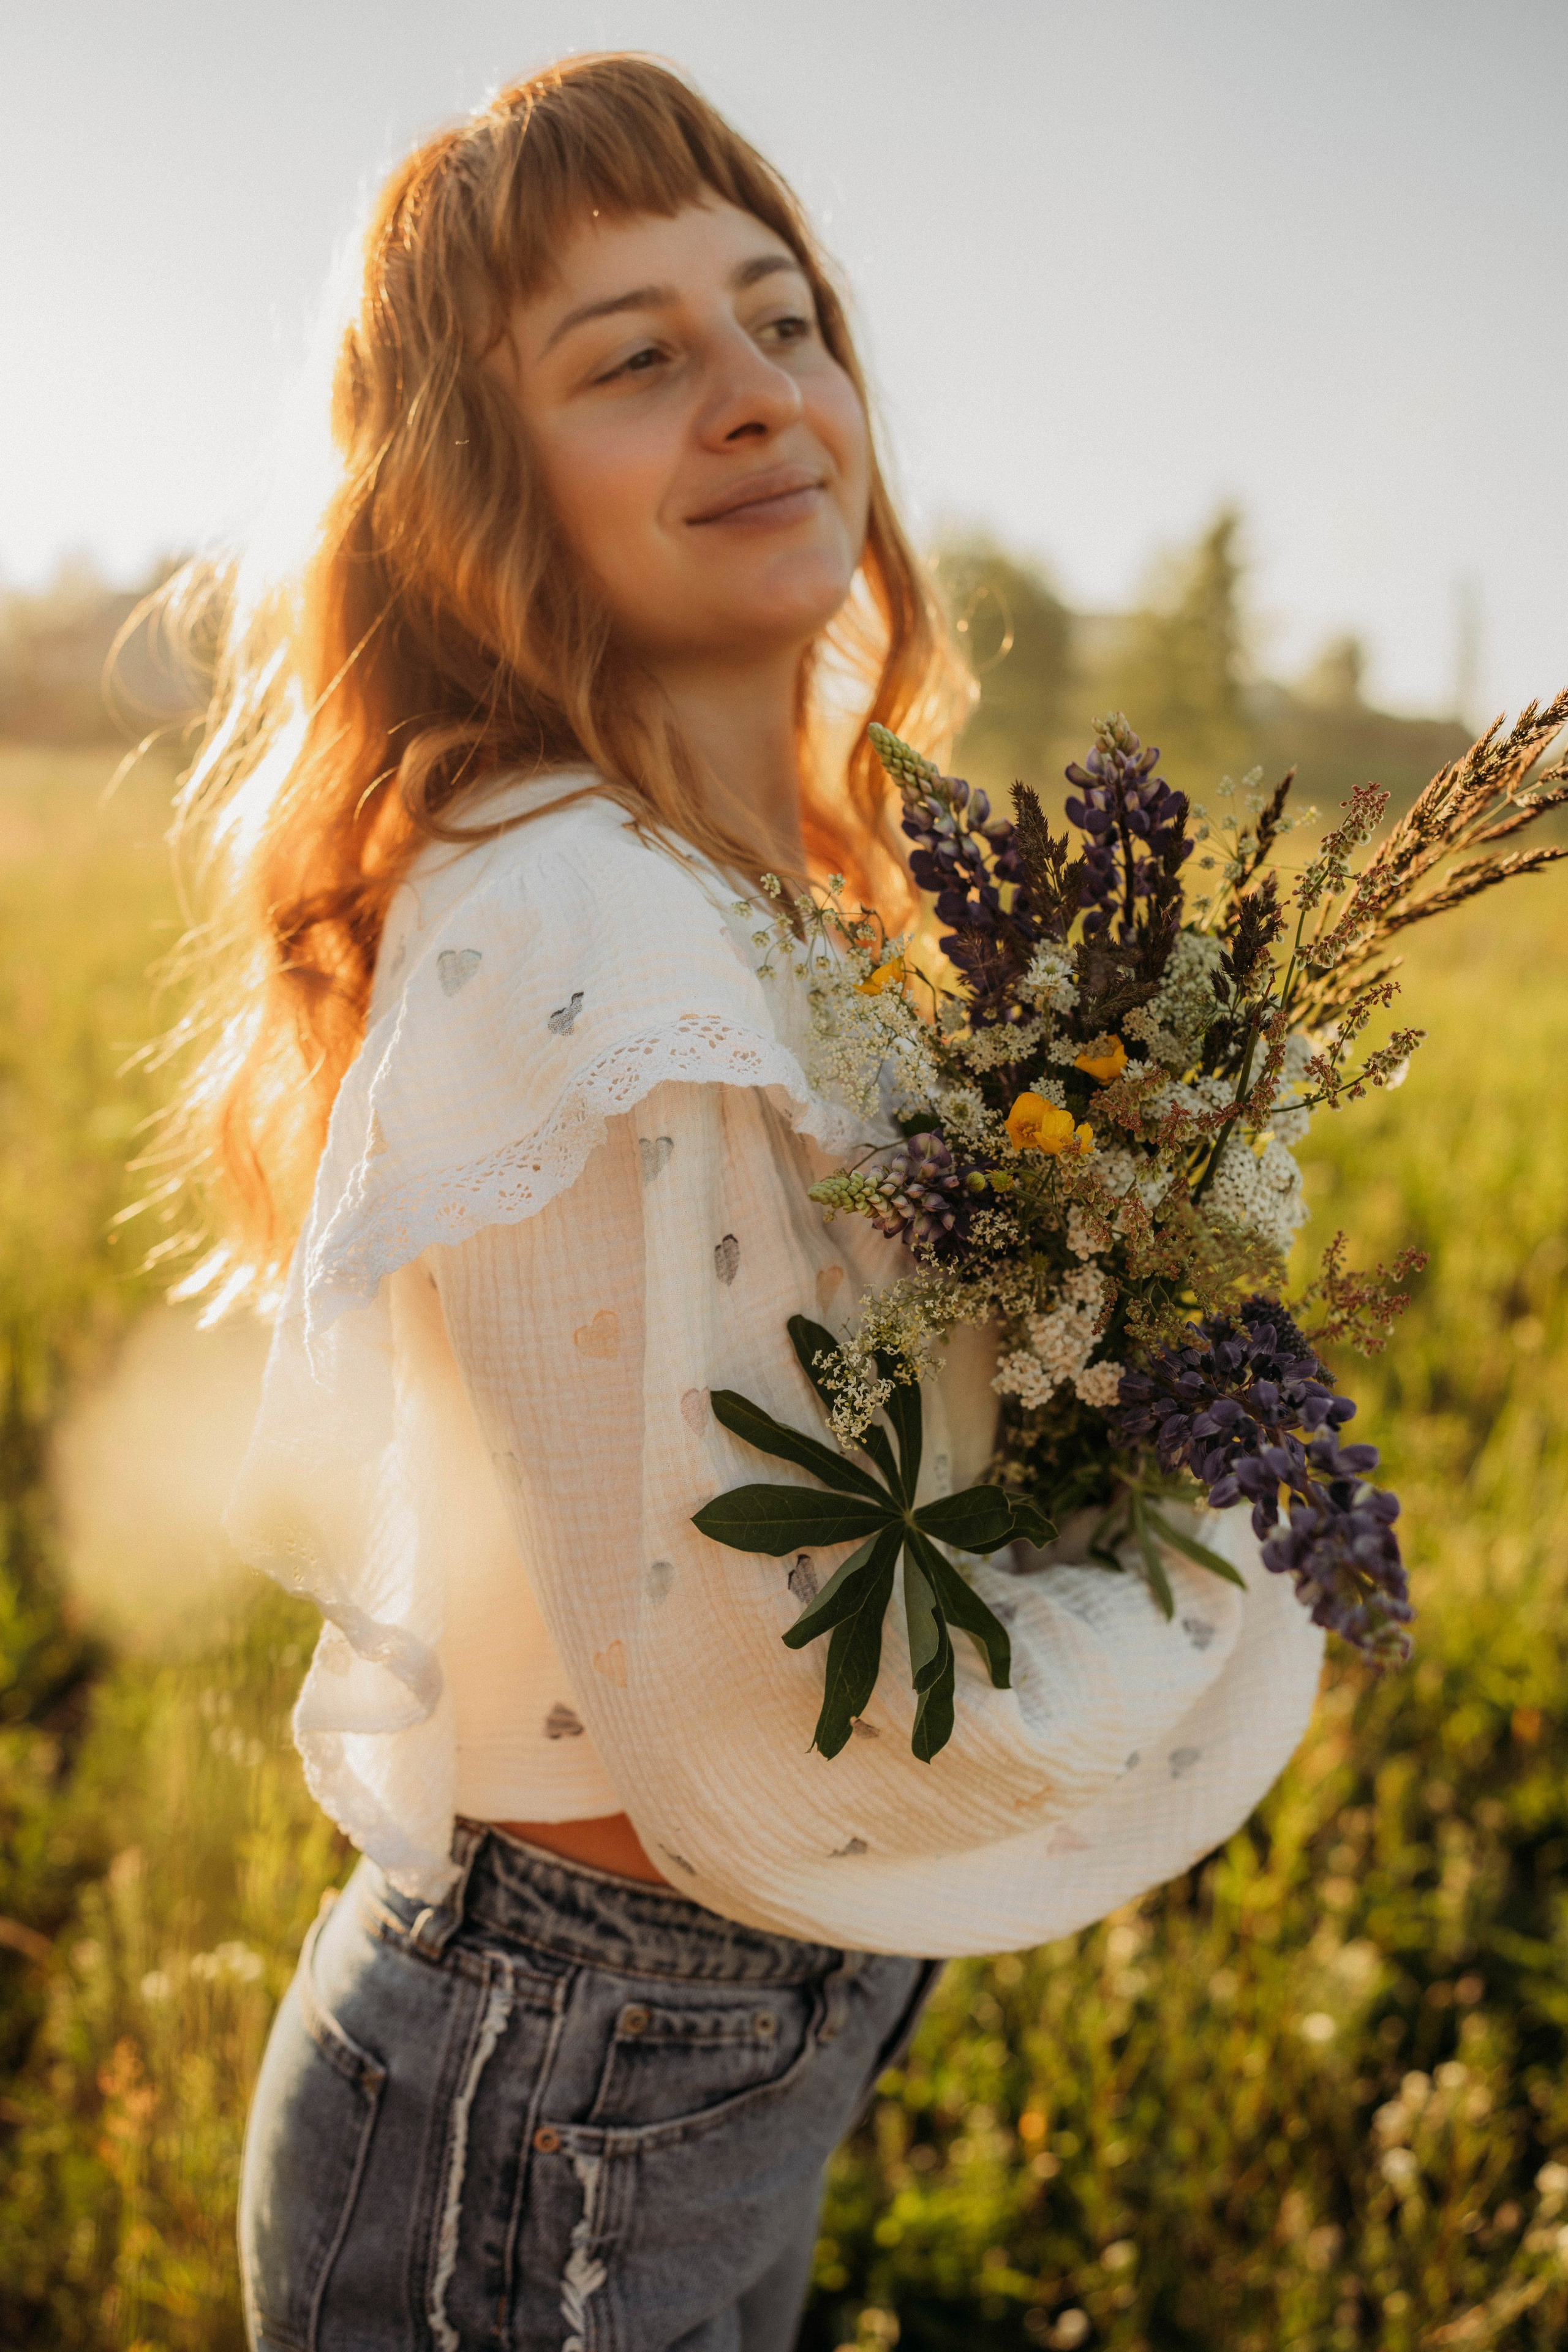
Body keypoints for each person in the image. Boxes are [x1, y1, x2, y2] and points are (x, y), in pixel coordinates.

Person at [192, 54, 1322, 2352]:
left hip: (687, 2039)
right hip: (569, 2071)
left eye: (786, 321)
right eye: (635, 359)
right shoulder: (579, 919)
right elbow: (790, 1683)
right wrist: (1224, 1572)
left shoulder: (789, 901)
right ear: (471, 498)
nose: (758, 395)